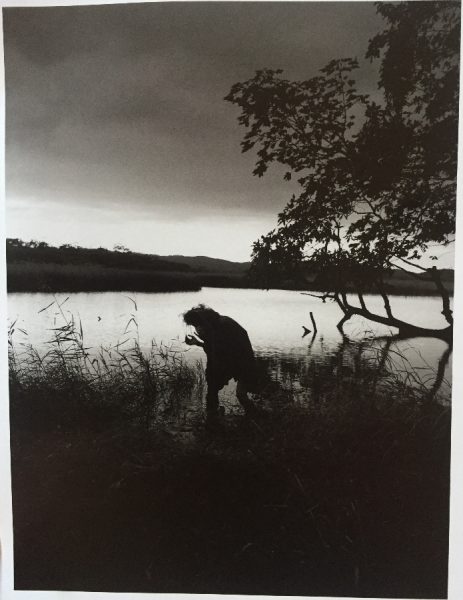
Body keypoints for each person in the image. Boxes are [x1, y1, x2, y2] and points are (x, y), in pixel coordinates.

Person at [183, 304, 257, 418]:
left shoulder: (223, 326)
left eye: (197, 325)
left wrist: (217, 371)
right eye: (194, 326)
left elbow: (221, 350)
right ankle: (213, 415)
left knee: (240, 393)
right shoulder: (214, 325)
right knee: (213, 385)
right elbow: (213, 347)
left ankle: (254, 417)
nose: (196, 328)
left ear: (204, 321)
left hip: (243, 362)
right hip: (232, 360)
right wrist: (197, 342)